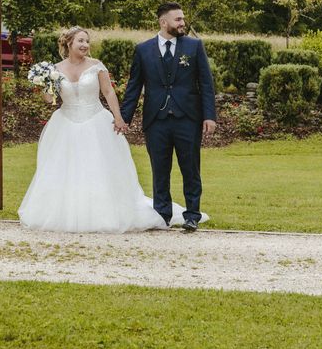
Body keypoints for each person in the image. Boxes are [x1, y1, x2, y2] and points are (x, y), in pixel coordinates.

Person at [18, 27, 199, 233]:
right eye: (80, 41)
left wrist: (119, 118)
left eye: (87, 41)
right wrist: (43, 83)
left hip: (95, 122)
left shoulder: (96, 66)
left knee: (97, 168)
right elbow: (50, 100)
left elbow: (108, 92)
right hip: (66, 123)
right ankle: (67, 213)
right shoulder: (55, 70)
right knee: (66, 169)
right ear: (69, 43)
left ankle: (102, 213)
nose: (85, 45)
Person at [119, 2, 216, 232]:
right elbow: (134, 87)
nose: (183, 23)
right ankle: (162, 215)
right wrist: (124, 118)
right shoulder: (143, 50)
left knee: (190, 168)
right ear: (164, 23)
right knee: (159, 170)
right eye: (178, 19)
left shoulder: (194, 46)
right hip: (156, 121)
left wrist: (209, 116)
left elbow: (206, 84)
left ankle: (192, 215)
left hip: (188, 119)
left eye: (182, 19)